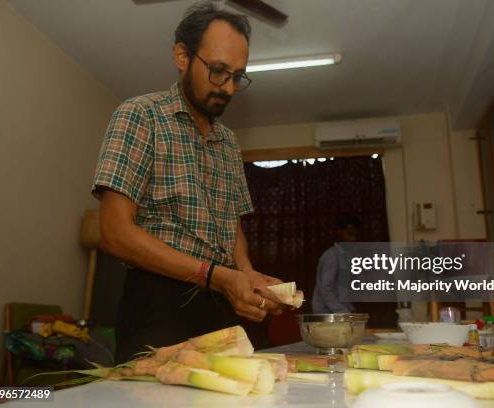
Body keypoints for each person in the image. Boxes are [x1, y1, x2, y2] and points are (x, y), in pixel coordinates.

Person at [91, 3, 284, 363]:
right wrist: (218, 276)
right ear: (182, 56)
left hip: (222, 303)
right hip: (158, 304)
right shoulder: (139, 115)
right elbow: (114, 233)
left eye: (237, 76)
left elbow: (232, 225)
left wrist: (246, 274)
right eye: (218, 71)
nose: (227, 88)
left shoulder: (228, 142)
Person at [312, 214, 362, 314]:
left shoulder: (346, 256)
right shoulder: (332, 256)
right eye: (349, 234)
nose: (353, 239)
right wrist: (345, 312)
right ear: (339, 232)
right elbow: (326, 290)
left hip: (339, 312)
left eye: (356, 235)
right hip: (327, 314)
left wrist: (349, 310)